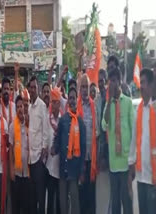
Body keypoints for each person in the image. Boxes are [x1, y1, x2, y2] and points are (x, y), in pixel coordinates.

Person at [102, 67, 134, 214]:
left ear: (120, 82)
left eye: (114, 81)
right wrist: (109, 102)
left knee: (126, 201)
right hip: (114, 163)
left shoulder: (127, 103)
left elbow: (133, 131)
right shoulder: (108, 104)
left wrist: (133, 161)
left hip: (126, 163)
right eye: (110, 82)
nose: (112, 84)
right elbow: (104, 125)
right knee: (115, 204)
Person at [52, 87, 86, 214]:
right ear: (67, 100)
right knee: (63, 203)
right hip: (63, 168)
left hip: (74, 169)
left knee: (75, 202)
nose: (72, 100)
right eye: (70, 98)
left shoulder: (81, 122)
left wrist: (82, 171)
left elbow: (83, 147)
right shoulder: (63, 120)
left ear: (77, 100)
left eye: (74, 98)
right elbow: (57, 139)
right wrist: (54, 148)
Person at [128, 68, 156, 214]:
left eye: (144, 82)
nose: (142, 86)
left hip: (153, 179)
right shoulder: (138, 110)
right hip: (140, 177)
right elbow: (134, 140)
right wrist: (131, 163)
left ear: (151, 85)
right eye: (141, 82)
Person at [28, 76, 51, 214]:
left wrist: (43, 150)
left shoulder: (42, 106)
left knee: (41, 197)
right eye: (30, 87)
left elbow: (46, 131)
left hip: (38, 159)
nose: (32, 90)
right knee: (33, 198)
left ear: (38, 89)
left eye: (34, 87)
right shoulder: (29, 107)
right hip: (30, 159)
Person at [78, 74, 99, 214]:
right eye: (83, 87)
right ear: (79, 89)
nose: (85, 90)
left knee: (91, 198)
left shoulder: (93, 106)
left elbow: (96, 133)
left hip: (91, 159)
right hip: (79, 159)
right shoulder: (75, 106)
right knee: (81, 198)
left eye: (86, 86)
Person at [9, 95, 31, 214]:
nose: (19, 109)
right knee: (16, 205)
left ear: (24, 107)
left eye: (21, 106)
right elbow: (11, 149)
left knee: (26, 205)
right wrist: (11, 169)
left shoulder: (29, 124)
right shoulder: (12, 126)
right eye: (17, 107)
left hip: (27, 173)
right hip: (17, 173)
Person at [95, 69, 111, 214]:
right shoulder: (97, 101)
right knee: (104, 193)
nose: (100, 83)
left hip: (113, 151)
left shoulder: (112, 98)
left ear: (106, 81)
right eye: (98, 81)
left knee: (114, 192)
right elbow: (98, 129)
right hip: (102, 150)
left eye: (102, 80)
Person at [46, 88, 62, 214]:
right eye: (53, 102)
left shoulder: (64, 120)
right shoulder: (47, 120)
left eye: (57, 102)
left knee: (60, 201)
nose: (55, 104)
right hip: (50, 168)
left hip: (61, 167)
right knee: (50, 199)